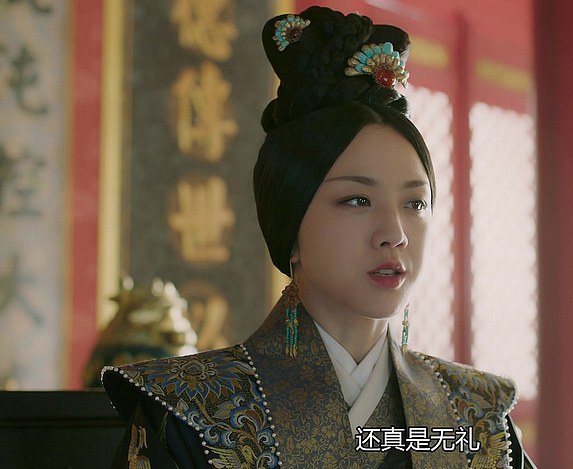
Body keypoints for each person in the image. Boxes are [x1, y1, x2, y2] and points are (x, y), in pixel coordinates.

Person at [102, 6, 536, 468]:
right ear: (290, 227)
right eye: (357, 200)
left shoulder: (478, 417)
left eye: (414, 204)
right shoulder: (189, 411)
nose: (394, 234)